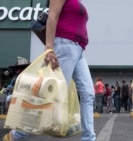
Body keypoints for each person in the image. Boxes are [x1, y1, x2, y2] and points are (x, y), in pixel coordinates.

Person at [3, 0, 96, 140]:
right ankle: (17, 134)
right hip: (65, 45)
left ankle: (89, 138)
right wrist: (49, 48)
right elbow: (52, 16)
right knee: (50, 95)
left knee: (88, 94)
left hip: (79, 49)